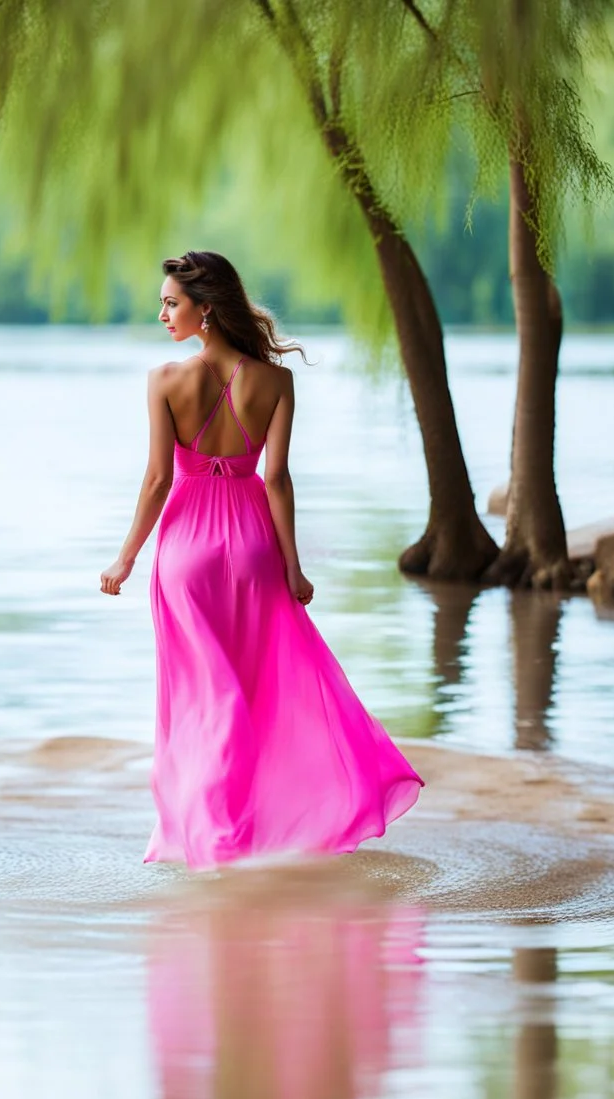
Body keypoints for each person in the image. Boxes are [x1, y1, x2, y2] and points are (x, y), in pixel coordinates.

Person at [100, 250, 423, 869]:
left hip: (186, 553)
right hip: (252, 546)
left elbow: (156, 480)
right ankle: (241, 829)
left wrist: (126, 558)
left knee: (203, 696)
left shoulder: (166, 381)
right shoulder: (276, 381)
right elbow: (276, 479)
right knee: (249, 690)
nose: (163, 313)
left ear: (207, 309)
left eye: (172, 302)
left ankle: (211, 833)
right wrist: (293, 566)